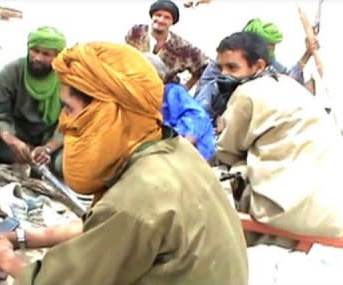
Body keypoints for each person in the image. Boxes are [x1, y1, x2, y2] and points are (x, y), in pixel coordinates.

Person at [0, 42, 248, 285]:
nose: (64, 123)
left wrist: (5, 260)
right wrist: (22, 238)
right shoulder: (173, 149)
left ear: (107, 113)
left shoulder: (135, 199)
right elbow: (101, 227)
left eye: (69, 109)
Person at [214, 31, 343, 247]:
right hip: (333, 211)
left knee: (219, 177)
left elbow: (226, 151)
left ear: (259, 66)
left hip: (288, 214)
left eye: (232, 67)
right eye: (221, 68)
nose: (224, 74)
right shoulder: (291, 85)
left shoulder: (246, 92)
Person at [0, 26, 66, 176]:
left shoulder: (67, 78)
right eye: (35, 51)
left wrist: (48, 148)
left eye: (46, 54)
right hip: (17, 134)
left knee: (65, 163)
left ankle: (39, 159)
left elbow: (71, 121)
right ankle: (30, 158)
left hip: (51, 138)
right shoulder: (11, 72)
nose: (38, 58)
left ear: (58, 56)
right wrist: (13, 141)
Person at [195, 18, 315, 122]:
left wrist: (307, 54)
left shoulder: (266, 67)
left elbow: (287, 80)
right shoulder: (219, 73)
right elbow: (201, 109)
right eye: (270, 47)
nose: (271, 52)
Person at [125, 0, 209, 90]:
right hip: (131, 85)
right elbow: (124, 55)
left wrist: (185, 88)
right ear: (152, 16)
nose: (161, 20)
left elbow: (204, 67)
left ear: (173, 22)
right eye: (158, 15)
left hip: (160, 93)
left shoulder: (182, 47)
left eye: (167, 17)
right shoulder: (137, 32)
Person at [146, 53, 215, 160]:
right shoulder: (142, 102)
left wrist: (178, 143)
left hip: (190, 151)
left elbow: (198, 118)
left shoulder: (172, 92)